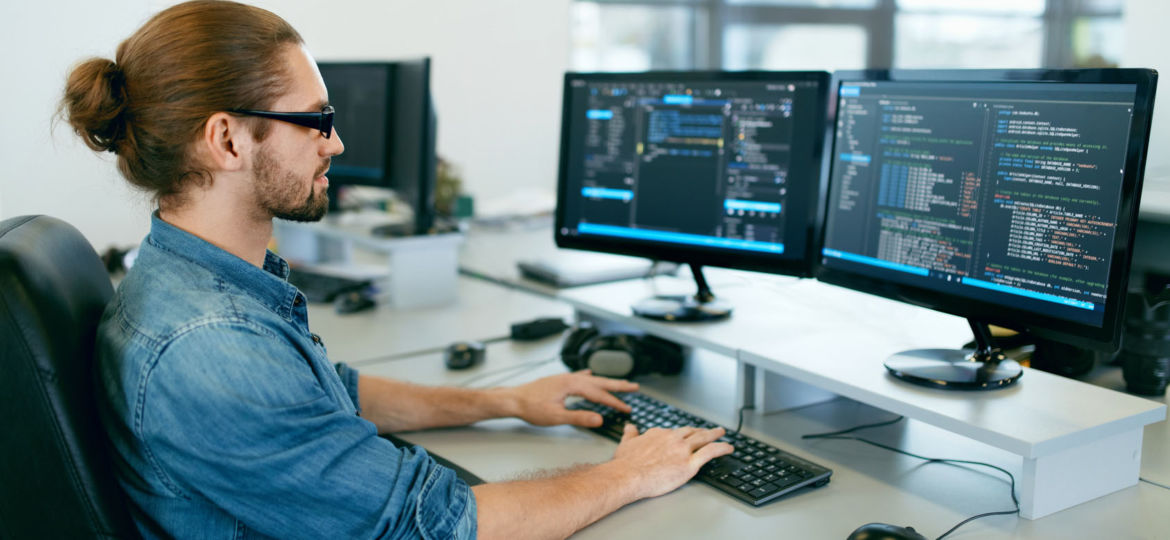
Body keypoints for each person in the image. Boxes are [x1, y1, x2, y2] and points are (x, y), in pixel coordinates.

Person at [62, 1, 732, 538]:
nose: (337, 142)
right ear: (228, 139)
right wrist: (630, 473)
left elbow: (330, 395)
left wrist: (507, 402)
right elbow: (435, 526)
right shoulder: (210, 344)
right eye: (315, 121)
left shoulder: (193, 279)